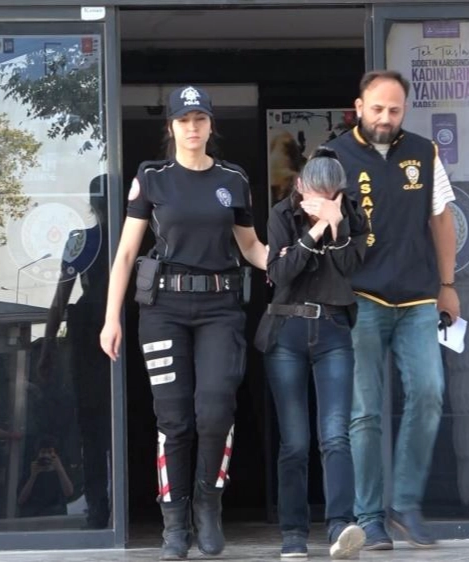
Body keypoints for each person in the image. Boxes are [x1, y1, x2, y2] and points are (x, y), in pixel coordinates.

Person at [100, 85, 267, 560]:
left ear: (211, 125)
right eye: (183, 120)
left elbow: (251, 247)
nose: (192, 127)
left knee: (215, 412)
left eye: (200, 119)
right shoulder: (152, 177)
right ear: (170, 127)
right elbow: (126, 253)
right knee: (173, 419)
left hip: (220, 309)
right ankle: (174, 524)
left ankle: (208, 506)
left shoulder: (233, 178)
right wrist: (111, 317)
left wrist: (293, 262)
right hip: (163, 310)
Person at [326, 70, 460, 550]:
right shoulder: (333, 156)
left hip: (419, 296)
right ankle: (370, 518)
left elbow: (441, 219)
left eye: (395, 110)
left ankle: (405, 504)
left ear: (405, 111)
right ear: (359, 107)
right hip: (360, 297)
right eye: (378, 108)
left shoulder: (424, 152)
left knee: (428, 393)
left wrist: (448, 285)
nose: (385, 118)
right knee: (365, 412)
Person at [260, 147, 369, 559]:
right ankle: (293, 532)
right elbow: (279, 273)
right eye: (312, 195)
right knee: (294, 441)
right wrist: (315, 232)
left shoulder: (353, 217)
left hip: (333, 329)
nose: (318, 203)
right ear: (300, 185)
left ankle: (341, 525)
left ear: (338, 193)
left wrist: (337, 225)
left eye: (328, 198)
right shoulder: (281, 215)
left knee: (335, 434)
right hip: (286, 330)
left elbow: (349, 268)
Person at [38, 178, 112, 529]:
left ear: (92, 204)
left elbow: (60, 297)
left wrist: (48, 345)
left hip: (89, 331)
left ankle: (99, 508)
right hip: (109, 328)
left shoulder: (82, 240)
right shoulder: (139, 237)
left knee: (93, 425)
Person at [17, 435, 75, 517]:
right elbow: (20, 500)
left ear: (56, 455)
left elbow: (69, 493)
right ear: (38, 454)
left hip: (57, 516)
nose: (46, 455)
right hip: (34, 516)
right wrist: (33, 476)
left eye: (50, 452)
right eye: (43, 452)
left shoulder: (62, 471)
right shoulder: (30, 471)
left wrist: (60, 469)